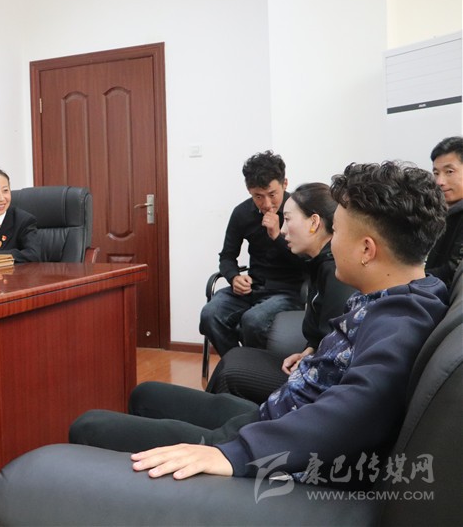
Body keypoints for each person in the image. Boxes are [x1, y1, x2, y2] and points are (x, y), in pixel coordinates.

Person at [70, 161, 448, 490]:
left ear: (366, 249)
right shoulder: (395, 296)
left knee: (88, 426)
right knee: (146, 393)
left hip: (272, 449)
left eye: (337, 231)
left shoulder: (401, 320)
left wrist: (233, 454)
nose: (330, 242)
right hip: (272, 416)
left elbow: (355, 414)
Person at [206, 183, 356, 403]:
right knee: (222, 336)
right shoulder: (319, 262)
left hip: (319, 380)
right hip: (256, 287)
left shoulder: (333, 270)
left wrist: (310, 359)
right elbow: (325, 335)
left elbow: (335, 348)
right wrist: (308, 351)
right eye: (258, 196)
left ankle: (234, 417)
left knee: (234, 363)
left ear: (314, 222)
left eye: (287, 219)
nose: (283, 229)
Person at [199, 151, 305, 355]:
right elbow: (227, 256)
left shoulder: (301, 212)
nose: (266, 204)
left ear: (284, 184)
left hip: (288, 291)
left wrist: (277, 236)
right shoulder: (242, 213)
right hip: (253, 287)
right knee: (210, 314)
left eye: (272, 194)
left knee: (253, 321)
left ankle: (255, 369)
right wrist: (234, 277)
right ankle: (235, 364)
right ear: (249, 191)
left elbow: (307, 261)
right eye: (258, 196)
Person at [426, 136, 463, 287]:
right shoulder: (435, 211)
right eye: (436, 173)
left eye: (449, 171)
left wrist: (408, 279)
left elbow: (453, 272)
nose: (439, 181)